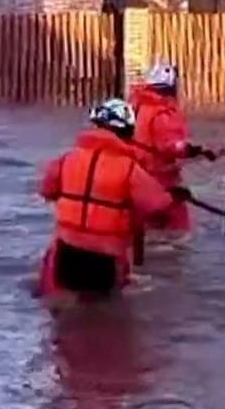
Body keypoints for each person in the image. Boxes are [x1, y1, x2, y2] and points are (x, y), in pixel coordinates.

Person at [37, 99, 183, 300]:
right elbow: (158, 206)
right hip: (104, 257)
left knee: (67, 312)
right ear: (126, 132)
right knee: (104, 317)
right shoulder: (129, 168)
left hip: (66, 252)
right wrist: (175, 196)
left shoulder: (66, 160)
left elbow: (46, 190)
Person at [127, 62, 216, 234]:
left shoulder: (138, 107)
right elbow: (171, 146)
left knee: (145, 226)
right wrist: (196, 150)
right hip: (161, 178)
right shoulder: (162, 112)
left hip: (138, 176)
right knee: (178, 229)